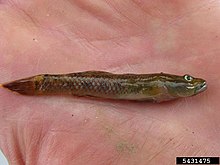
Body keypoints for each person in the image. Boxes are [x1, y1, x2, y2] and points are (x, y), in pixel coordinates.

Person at [0, 1, 219, 164]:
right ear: (163, 84)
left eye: (188, 80)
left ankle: (42, 84)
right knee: (73, 83)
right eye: (187, 80)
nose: (191, 83)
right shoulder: (159, 84)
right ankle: (40, 84)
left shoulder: (161, 87)